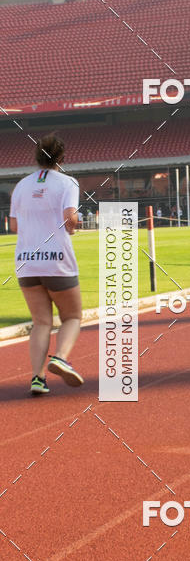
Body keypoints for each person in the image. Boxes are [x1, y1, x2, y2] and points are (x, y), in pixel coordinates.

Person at [9, 134, 84, 394]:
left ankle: (37, 378)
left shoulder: (21, 185)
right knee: (72, 316)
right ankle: (60, 358)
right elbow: (70, 218)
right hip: (57, 260)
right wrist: (73, 226)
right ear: (62, 157)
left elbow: (14, 225)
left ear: (37, 156)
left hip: (26, 262)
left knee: (41, 322)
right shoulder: (68, 183)